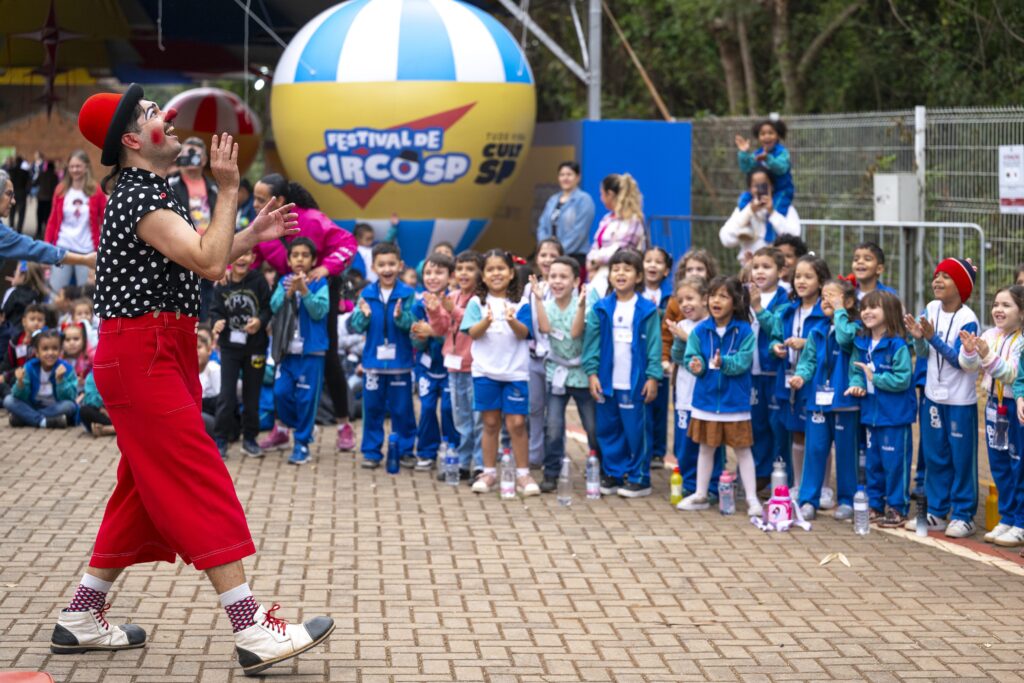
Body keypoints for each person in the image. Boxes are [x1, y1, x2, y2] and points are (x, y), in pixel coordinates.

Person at [56, 84, 332, 675]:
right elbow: (209, 262)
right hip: (142, 356)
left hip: (159, 352)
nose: (169, 117)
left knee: (140, 491)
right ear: (132, 140)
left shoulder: (154, 192)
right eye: (155, 114)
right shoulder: (137, 198)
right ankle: (252, 627)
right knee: (198, 475)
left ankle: (82, 614)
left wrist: (250, 233)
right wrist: (230, 188)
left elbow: (201, 254)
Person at [251, 174, 358, 453]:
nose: (254, 204)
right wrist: (228, 274)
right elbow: (251, 258)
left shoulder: (311, 219)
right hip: (285, 295)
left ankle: (344, 424)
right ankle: (282, 429)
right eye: (255, 199)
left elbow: (348, 244)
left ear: (281, 201)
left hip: (319, 291)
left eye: (261, 200)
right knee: (282, 361)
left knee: (330, 356)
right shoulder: (260, 225)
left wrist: (325, 268)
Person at [905, 258, 980, 538]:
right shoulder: (931, 309)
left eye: (946, 277)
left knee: (962, 459)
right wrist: (918, 339)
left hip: (960, 401)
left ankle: (963, 514)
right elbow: (925, 354)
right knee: (935, 456)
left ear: (960, 286)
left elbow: (964, 363)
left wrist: (933, 338)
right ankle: (936, 511)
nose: (937, 280)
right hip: (933, 397)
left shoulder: (968, 319)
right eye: (936, 274)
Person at [677, 276, 761, 516]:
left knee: (743, 450)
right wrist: (696, 364)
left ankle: (752, 499)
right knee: (706, 448)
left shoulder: (744, 330)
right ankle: (701, 494)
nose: (716, 301)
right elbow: (691, 357)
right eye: (713, 295)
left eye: (723, 296)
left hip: (735, 403)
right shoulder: (700, 330)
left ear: (735, 302)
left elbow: (743, 362)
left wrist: (723, 362)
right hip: (706, 401)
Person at [583, 248, 662, 499]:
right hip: (607, 382)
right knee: (608, 429)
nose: (620, 273)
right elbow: (591, 343)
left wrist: (652, 376)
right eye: (616, 269)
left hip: (634, 383)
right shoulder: (602, 307)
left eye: (627, 269)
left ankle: (639, 477)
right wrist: (592, 373)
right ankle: (614, 473)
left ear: (638, 276)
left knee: (636, 430)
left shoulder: (647, 309)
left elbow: (654, 345)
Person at [462, 249, 537, 495]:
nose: (496, 274)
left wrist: (511, 319)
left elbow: (525, 333)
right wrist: (488, 319)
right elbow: (472, 332)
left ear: (511, 273)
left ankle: (523, 474)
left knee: (516, 423)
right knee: (490, 422)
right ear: (482, 276)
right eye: (490, 269)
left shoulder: (522, 302)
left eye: (501, 268)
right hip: (485, 372)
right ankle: (489, 472)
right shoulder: (476, 302)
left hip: (515, 372)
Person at [788, 278, 860, 521]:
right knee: (815, 449)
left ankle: (847, 499)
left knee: (846, 453)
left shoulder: (852, 327)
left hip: (844, 402)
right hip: (817, 401)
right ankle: (808, 499)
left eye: (833, 295)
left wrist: (840, 312)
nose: (826, 300)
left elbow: (844, 340)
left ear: (848, 301)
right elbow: (808, 360)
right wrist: (801, 376)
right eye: (824, 296)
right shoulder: (817, 330)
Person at [848, 291, 916, 528]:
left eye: (874, 307)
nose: (867, 312)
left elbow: (903, 379)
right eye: (864, 307)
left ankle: (897, 508)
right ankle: (876, 505)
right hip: (871, 415)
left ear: (890, 313)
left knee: (895, 464)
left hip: (894, 417)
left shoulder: (898, 345)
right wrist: (857, 385)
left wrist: (874, 377)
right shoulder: (862, 342)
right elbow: (855, 371)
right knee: (873, 464)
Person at [349, 242, 418, 469]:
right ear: (373, 267)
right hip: (373, 365)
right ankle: (371, 451)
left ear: (400, 265)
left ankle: (406, 449)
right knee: (373, 410)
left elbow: (413, 326)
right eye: (382, 265)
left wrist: (401, 317)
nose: (387, 269)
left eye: (391, 264)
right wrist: (364, 316)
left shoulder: (408, 295)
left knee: (403, 410)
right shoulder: (366, 294)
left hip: (400, 363)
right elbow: (356, 325)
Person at [964, 286, 1024, 547]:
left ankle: (1021, 523)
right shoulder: (990, 334)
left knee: (1018, 465)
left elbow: (1011, 374)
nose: (998, 310)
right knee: (998, 464)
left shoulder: (1021, 340)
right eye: (996, 304)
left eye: (1007, 305)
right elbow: (969, 367)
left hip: (1015, 407)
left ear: (1021, 313)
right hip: (993, 404)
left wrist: (986, 354)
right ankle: (1007, 517)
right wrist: (969, 351)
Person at [534, 256, 597, 492]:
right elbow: (545, 328)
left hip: (581, 374)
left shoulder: (584, 305)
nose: (557, 281)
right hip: (557, 373)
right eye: (553, 276)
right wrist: (538, 301)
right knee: (553, 426)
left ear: (575, 281)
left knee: (592, 425)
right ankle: (551, 471)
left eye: (563, 277)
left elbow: (575, 332)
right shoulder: (546, 305)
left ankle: (598, 465)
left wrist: (580, 306)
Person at [769, 255, 830, 492]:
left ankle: (823, 487)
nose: (801, 281)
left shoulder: (824, 312)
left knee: (818, 437)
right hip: (789, 379)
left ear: (821, 281)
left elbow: (828, 341)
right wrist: (775, 347)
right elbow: (774, 338)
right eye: (797, 276)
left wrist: (805, 343)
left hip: (814, 381)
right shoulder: (786, 311)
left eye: (808, 276)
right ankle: (798, 484)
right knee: (796, 433)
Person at [269, 237, 330, 465]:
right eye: (295, 255)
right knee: (280, 392)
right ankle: (298, 427)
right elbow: (274, 307)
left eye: (305, 255)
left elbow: (319, 311)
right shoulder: (284, 281)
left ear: (313, 260)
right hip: (287, 352)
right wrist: (287, 293)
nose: (300, 259)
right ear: (289, 259)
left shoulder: (319, 282)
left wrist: (304, 291)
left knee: (306, 399)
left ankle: (302, 443)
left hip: (311, 353)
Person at [427, 250, 485, 481]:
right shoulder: (453, 295)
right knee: (461, 417)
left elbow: (474, 322)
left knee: (478, 417)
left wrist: (452, 310)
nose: (463, 273)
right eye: (460, 269)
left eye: (470, 269)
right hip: (453, 365)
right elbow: (441, 329)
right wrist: (434, 310)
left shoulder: (479, 298)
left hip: (475, 366)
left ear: (480, 272)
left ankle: (481, 465)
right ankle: (463, 462)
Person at [211, 249, 271, 459]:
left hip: (256, 347)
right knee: (226, 395)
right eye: (238, 254)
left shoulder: (259, 280)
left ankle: (250, 439)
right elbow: (215, 310)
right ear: (230, 257)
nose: (242, 258)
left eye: (247, 255)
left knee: (252, 395)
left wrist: (260, 321)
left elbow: (267, 307)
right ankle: (221, 440)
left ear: (253, 258)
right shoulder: (222, 283)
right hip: (229, 348)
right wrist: (216, 322)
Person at [668, 277, 724, 498]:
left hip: (708, 396)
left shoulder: (713, 326)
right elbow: (678, 357)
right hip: (684, 395)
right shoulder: (682, 325)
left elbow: (709, 354)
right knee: (686, 443)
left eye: (690, 298)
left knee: (710, 441)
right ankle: (690, 484)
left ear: (705, 300)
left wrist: (686, 337)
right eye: (681, 300)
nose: (685, 304)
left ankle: (712, 485)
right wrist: (680, 341)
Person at [746, 247, 790, 488]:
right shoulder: (746, 296)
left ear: (781, 271)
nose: (760, 271)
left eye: (766, 266)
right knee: (756, 423)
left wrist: (759, 308)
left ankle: (779, 473)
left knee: (777, 424)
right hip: (750, 373)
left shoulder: (784, 300)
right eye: (756, 267)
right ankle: (759, 473)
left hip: (773, 372)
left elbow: (777, 328)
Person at [411, 252, 459, 470]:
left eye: (439, 272)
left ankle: (454, 449)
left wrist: (434, 331)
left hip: (452, 366)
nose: (432, 277)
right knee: (428, 408)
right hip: (426, 366)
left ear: (450, 276)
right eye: (428, 273)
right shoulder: (418, 303)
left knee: (450, 408)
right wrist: (420, 336)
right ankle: (427, 451)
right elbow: (416, 339)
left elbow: (456, 331)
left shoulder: (454, 300)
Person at [0, 168, 96, 273]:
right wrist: (84, 259)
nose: (13, 201)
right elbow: (34, 249)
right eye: (9, 194)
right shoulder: (3, 235)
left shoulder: (96, 191)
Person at [44, 150, 106, 290]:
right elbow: (52, 222)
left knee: (86, 295)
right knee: (57, 292)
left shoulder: (96, 191)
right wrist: (47, 247)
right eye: (72, 166)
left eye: (78, 166)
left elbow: (105, 220)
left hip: (87, 251)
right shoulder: (61, 190)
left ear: (86, 167)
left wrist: (103, 249)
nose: (74, 170)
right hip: (62, 249)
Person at [525, 237, 563, 468]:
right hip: (533, 357)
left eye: (553, 255)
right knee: (535, 408)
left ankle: (556, 456)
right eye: (543, 255)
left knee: (556, 414)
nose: (548, 260)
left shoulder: (564, 287)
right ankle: (534, 455)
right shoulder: (530, 287)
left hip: (557, 359)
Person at [719, 170, 801, 263]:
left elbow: (795, 237)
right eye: (756, 185)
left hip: (778, 267)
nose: (760, 189)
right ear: (749, 189)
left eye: (764, 185)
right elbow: (726, 240)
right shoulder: (743, 209)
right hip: (750, 268)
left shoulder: (784, 208)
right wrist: (749, 212)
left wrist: (772, 213)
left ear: (772, 186)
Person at [3, 329, 78, 428]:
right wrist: (20, 383)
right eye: (45, 349)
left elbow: (70, 397)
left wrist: (61, 381)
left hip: (55, 406)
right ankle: (44, 422)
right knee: (9, 400)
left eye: (55, 348)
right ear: (37, 353)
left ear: (60, 351)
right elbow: (21, 396)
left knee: (69, 406)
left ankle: (26, 418)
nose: (50, 353)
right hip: (32, 404)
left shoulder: (66, 368)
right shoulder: (29, 367)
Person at [585, 174, 645, 298]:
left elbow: (620, 250)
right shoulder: (607, 218)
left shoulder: (633, 220)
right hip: (598, 273)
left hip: (618, 275)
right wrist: (592, 264)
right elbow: (596, 245)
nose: (601, 198)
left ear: (610, 194)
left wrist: (595, 260)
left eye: (602, 194)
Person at [641, 246, 672, 468]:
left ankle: (658, 452)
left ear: (666, 271)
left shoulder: (670, 298)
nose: (652, 265)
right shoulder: (635, 294)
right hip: (640, 357)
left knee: (660, 405)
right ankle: (644, 446)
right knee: (642, 404)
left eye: (658, 262)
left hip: (663, 358)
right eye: (648, 261)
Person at [535, 161, 596, 270]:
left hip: (574, 257)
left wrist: (558, 252)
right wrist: (545, 249)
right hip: (551, 258)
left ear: (578, 177)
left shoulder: (584, 200)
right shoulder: (553, 200)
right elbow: (542, 226)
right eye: (562, 175)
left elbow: (579, 232)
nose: (565, 178)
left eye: (569, 174)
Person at [735, 117, 794, 216]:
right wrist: (744, 153)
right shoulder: (758, 153)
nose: (767, 136)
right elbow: (747, 168)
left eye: (770, 133)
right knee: (743, 202)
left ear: (777, 135)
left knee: (774, 212)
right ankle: (747, 229)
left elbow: (781, 168)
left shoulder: (782, 153)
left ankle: (771, 231)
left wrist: (768, 159)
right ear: (758, 137)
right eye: (762, 134)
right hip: (761, 191)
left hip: (781, 191)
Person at [197, 326, 221, 439]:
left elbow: (220, 402)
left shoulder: (214, 369)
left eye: (198, 347)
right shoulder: (187, 373)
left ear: (209, 350)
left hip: (216, 420)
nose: (195, 352)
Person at [35, 158, 60, 240]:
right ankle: (46, 232)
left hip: (41, 198)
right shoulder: (55, 176)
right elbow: (56, 186)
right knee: (47, 216)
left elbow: (35, 183)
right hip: (49, 198)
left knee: (39, 215)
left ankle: (38, 231)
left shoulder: (42, 174)